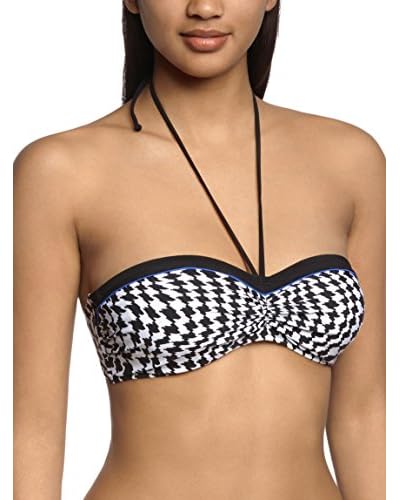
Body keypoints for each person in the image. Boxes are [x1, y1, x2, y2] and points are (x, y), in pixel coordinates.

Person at [13, 1, 386, 499]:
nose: (204, 8)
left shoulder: (351, 161)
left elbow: (364, 412)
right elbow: (34, 425)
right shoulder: (62, 172)